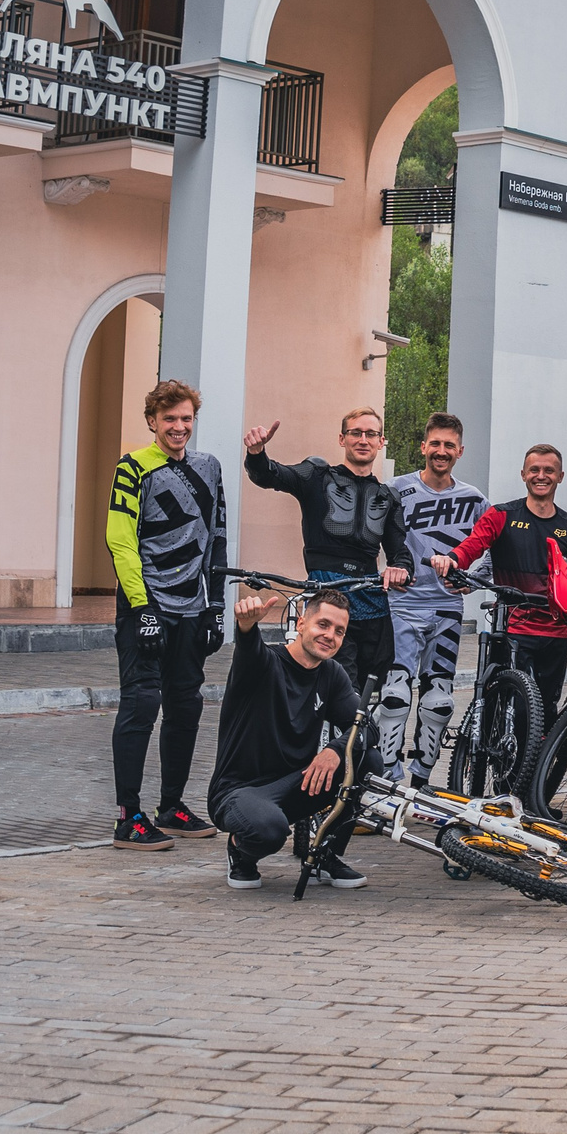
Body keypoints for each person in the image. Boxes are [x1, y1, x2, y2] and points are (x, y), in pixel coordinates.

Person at [104, 379, 228, 849]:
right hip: (147, 605)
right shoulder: (133, 468)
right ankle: (128, 817)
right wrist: (142, 608)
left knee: (186, 705)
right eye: (169, 419)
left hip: (193, 608)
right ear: (152, 422)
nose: (179, 427)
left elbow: (217, 538)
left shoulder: (209, 468)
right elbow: (120, 540)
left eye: (186, 419)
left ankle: (171, 806)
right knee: (141, 704)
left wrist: (216, 605)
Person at [207, 583, 364, 891]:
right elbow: (249, 647)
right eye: (323, 624)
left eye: (339, 631)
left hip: (296, 784)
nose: (330, 636)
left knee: (363, 757)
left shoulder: (331, 674)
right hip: (240, 791)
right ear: (301, 623)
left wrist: (334, 750)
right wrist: (247, 625)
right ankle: (241, 853)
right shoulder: (264, 663)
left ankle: (324, 856)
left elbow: (365, 727)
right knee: (269, 830)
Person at [243, 408, 414, 687]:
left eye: (371, 434)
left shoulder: (388, 496)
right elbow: (270, 475)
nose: (363, 439)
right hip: (327, 593)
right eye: (355, 433)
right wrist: (257, 453)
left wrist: (400, 569)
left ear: (381, 442)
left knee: (375, 686)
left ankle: (362, 732)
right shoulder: (317, 477)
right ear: (341, 439)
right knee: (342, 683)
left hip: (371, 599)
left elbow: (400, 552)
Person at [433, 444, 567, 715]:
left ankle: (539, 757)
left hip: (555, 633)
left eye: (549, 471)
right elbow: (473, 545)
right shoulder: (502, 516)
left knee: (546, 708)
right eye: (534, 470)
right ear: (523, 474)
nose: (541, 476)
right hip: (512, 629)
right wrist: (453, 559)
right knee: (505, 704)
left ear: (560, 476)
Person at [381, 413, 484, 784]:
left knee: (439, 700)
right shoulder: (395, 489)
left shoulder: (474, 498)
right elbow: (368, 533)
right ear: (423, 446)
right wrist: (386, 567)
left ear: (460, 450)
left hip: (446, 609)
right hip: (401, 605)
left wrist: (473, 579)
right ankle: (388, 779)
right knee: (393, 695)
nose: (441, 451)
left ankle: (422, 780)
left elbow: (491, 547)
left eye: (449, 445)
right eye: (435, 444)